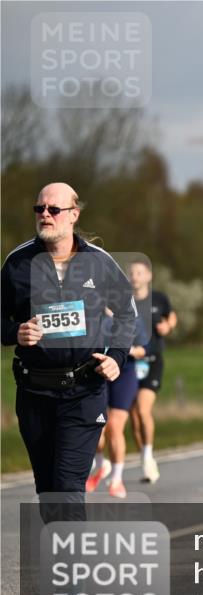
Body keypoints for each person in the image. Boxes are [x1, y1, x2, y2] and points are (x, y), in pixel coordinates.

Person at [1, 183, 136, 522]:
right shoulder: (17, 263)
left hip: (83, 390)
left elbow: (126, 314)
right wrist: (14, 332)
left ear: (74, 214)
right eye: (39, 209)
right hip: (34, 392)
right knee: (48, 492)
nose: (44, 215)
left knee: (67, 485)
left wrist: (116, 358)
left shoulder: (99, 263)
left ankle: (71, 573)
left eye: (53, 209)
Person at [87, 315, 148, 498]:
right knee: (96, 428)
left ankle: (116, 478)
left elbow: (143, 351)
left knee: (115, 426)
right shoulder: (93, 313)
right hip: (98, 373)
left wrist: (126, 350)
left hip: (125, 373)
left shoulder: (132, 318)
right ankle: (100, 465)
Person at [127, 258, 175, 484]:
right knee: (134, 418)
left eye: (139, 272)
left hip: (152, 361)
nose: (135, 276)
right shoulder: (123, 300)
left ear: (148, 276)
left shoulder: (159, 298)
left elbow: (171, 315)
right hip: (128, 363)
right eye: (131, 273)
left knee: (143, 410)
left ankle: (148, 458)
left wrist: (168, 326)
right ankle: (145, 457)